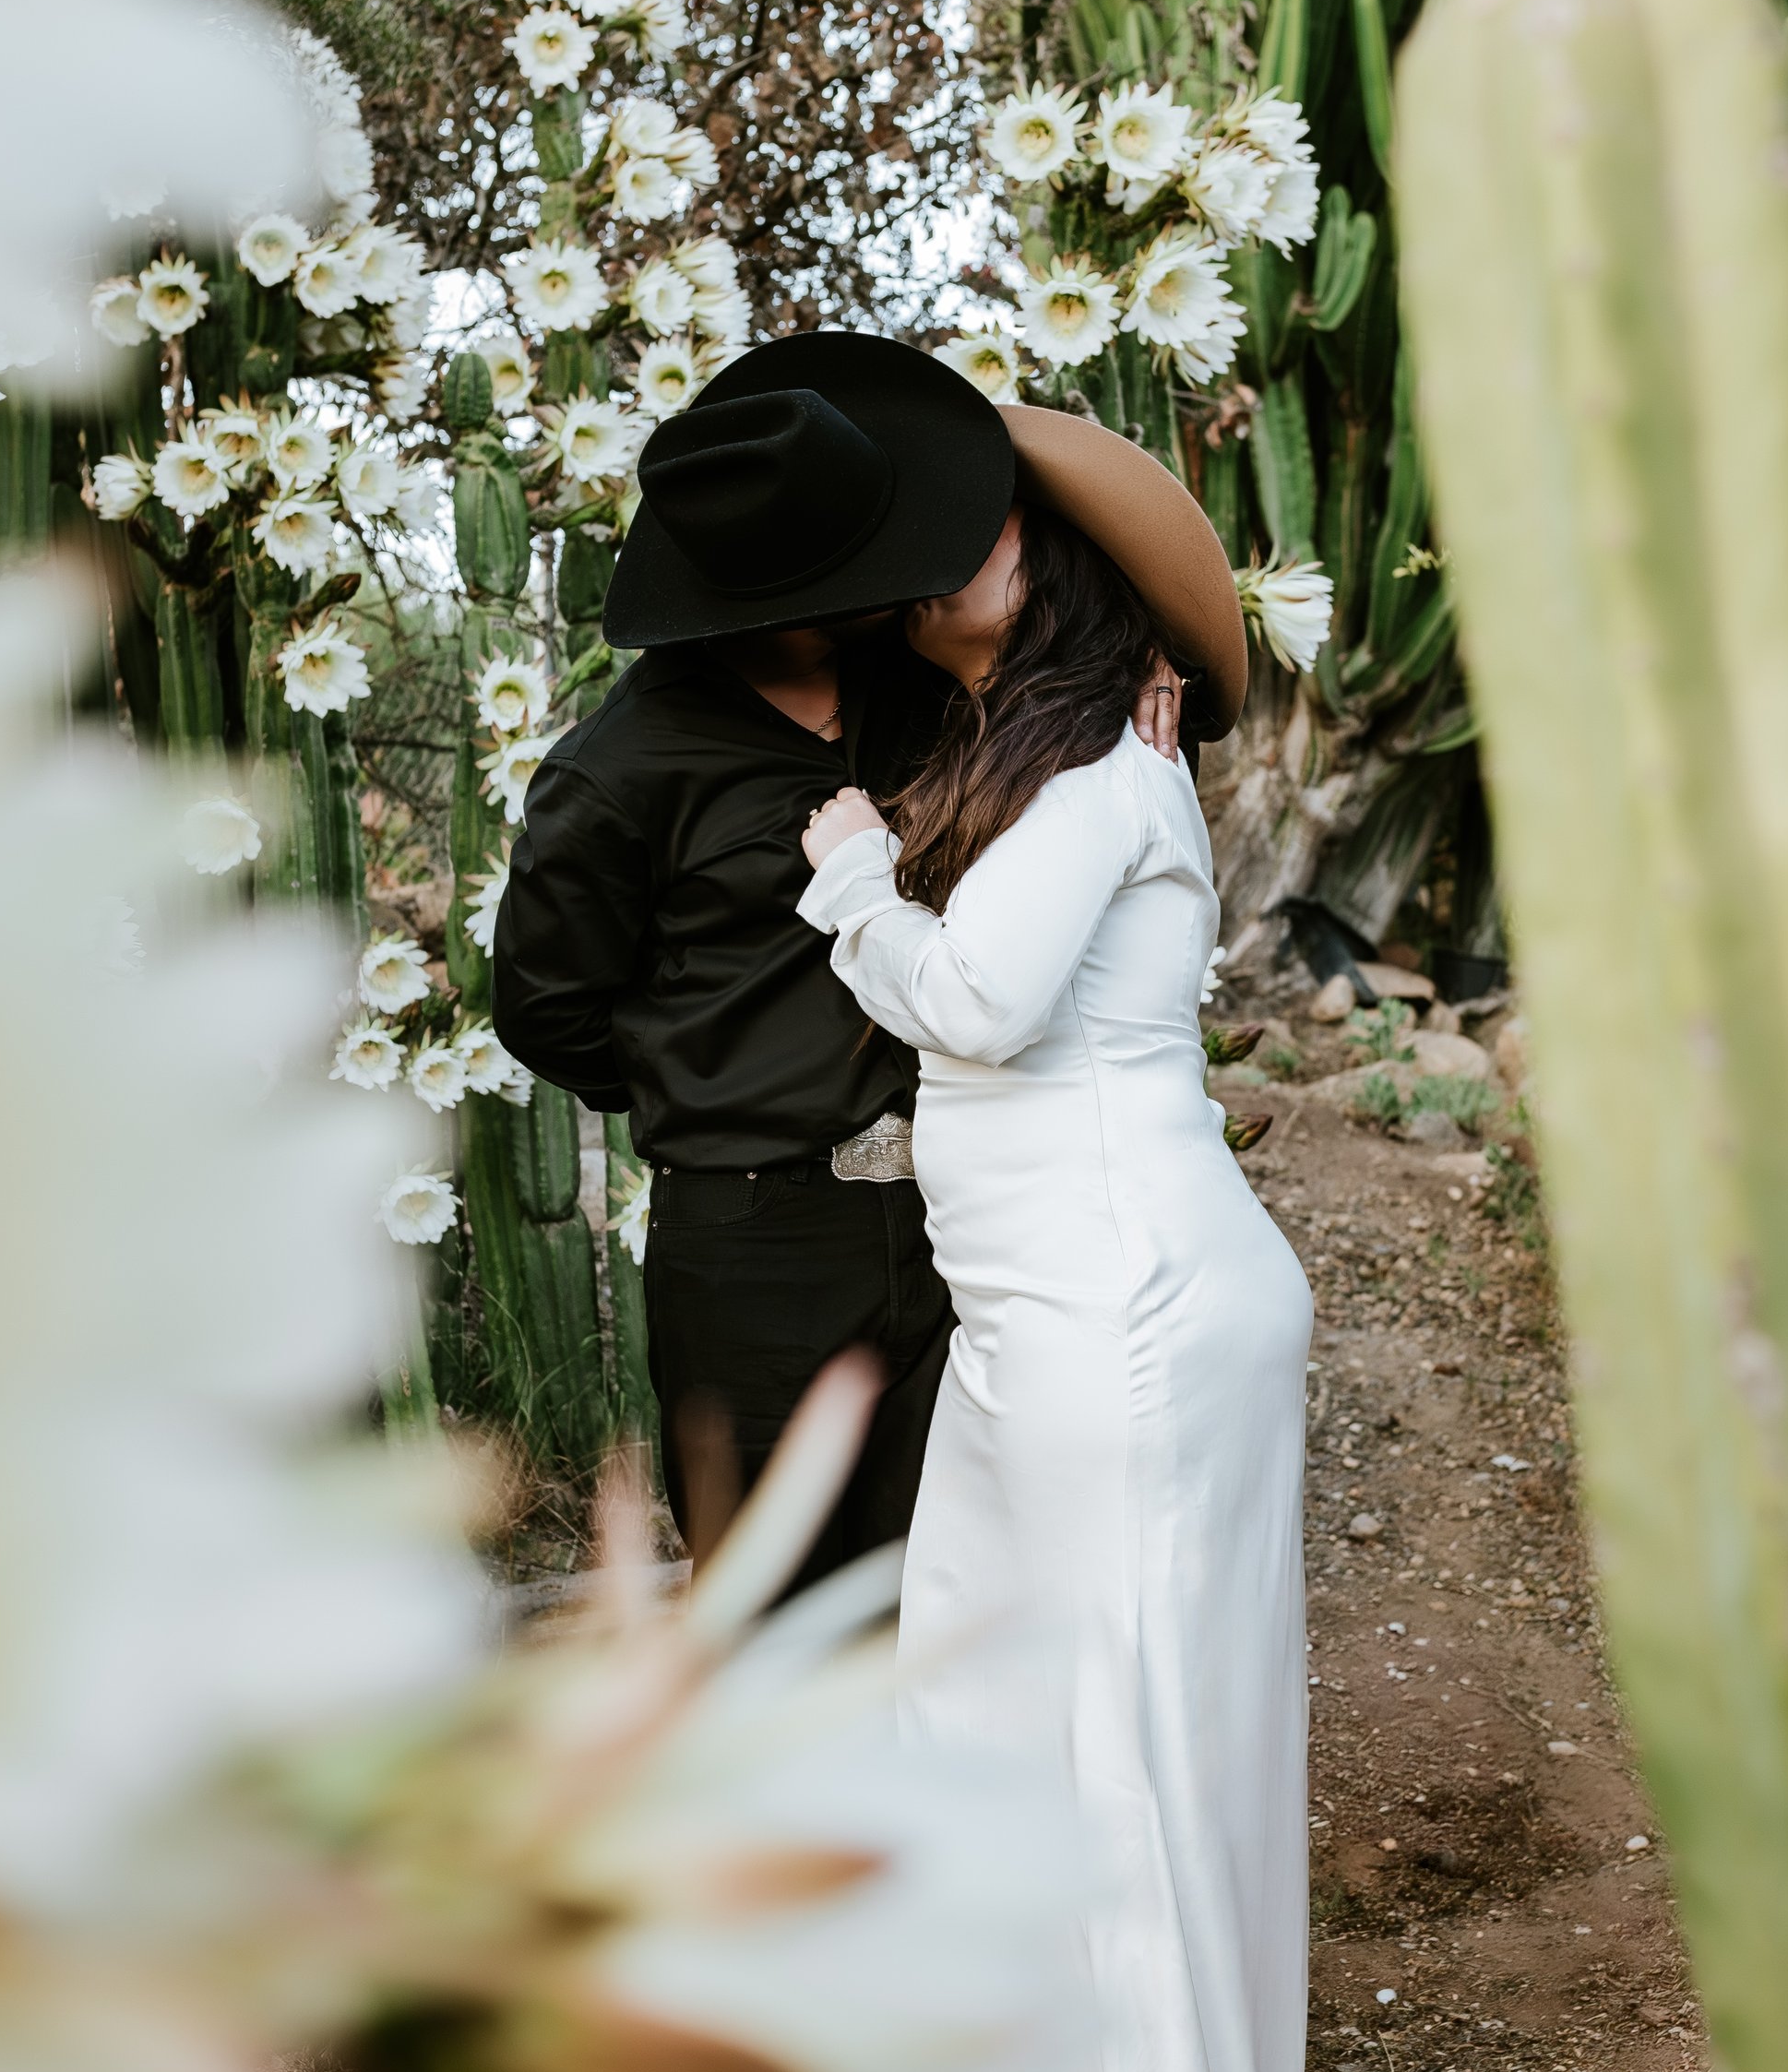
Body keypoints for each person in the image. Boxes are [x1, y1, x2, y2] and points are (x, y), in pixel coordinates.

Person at [795, 472, 1405, 2072]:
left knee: (1116, 1731)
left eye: (966, 538)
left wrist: (842, 885)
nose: (922, 574)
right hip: (1043, 1315)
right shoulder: (1050, 768)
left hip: (1123, 1312)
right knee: (998, 1708)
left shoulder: (1103, 783)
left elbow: (973, 1006)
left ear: (1050, 567)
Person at [490, 335, 1240, 1588]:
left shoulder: (932, 694)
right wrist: (719, 1077)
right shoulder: (617, 773)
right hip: (754, 1249)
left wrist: (1139, 661)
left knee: (960, 1598)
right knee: (776, 1615)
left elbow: (1069, 782)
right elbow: (548, 1012)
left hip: (964, 1222)